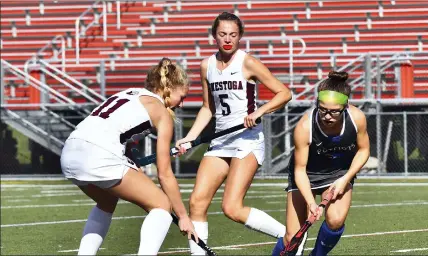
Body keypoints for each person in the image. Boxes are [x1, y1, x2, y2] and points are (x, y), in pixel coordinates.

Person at [174, 12, 293, 255]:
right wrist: (189, 137)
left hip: (246, 140)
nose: (228, 39)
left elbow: (284, 93)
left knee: (231, 207)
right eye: (222, 34)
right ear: (214, 36)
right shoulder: (206, 66)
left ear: (240, 37)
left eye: (233, 34)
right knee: (197, 202)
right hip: (220, 140)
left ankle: (289, 237)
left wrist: (259, 111)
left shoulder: (247, 62)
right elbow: (208, 108)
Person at [60, 58, 198, 255]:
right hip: (99, 155)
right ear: (168, 87)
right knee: (162, 205)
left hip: (70, 152)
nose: (182, 104)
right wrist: (183, 216)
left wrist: (131, 160)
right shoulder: (161, 113)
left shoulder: (129, 93)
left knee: (106, 202)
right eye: (181, 97)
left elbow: (120, 133)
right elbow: (165, 174)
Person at [272, 71, 370, 256]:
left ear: (345, 106)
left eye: (334, 111)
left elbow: (363, 150)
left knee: (335, 220)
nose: (327, 116)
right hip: (306, 174)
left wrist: (346, 178)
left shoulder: (357, 118)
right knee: (292, 237)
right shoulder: (304, 126)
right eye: (322, 109)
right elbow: (299, 170)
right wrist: (310, 203)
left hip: (338, 173)